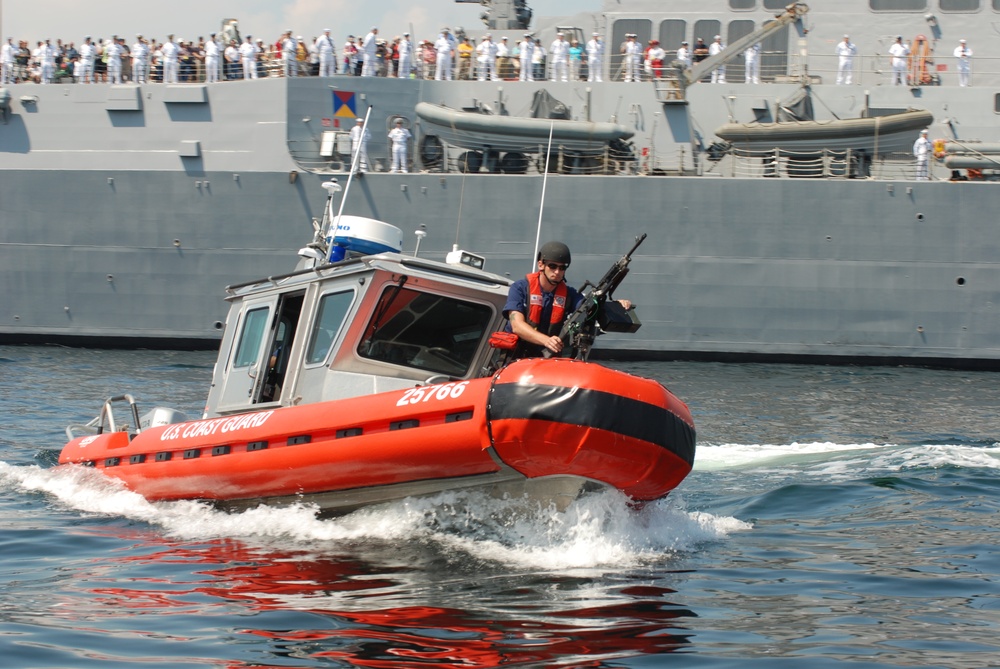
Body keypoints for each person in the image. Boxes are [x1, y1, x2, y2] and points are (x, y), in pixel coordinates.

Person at [503, 241, 632, 358]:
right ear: (541, 265)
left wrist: (615, 306)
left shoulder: (569, 294)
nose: (557, 272)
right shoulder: (520, 288)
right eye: (552, 266)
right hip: (516, 355)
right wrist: (546, 340)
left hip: (546, 358)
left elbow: (590, 307)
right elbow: (517, 326)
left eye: (562, 267)